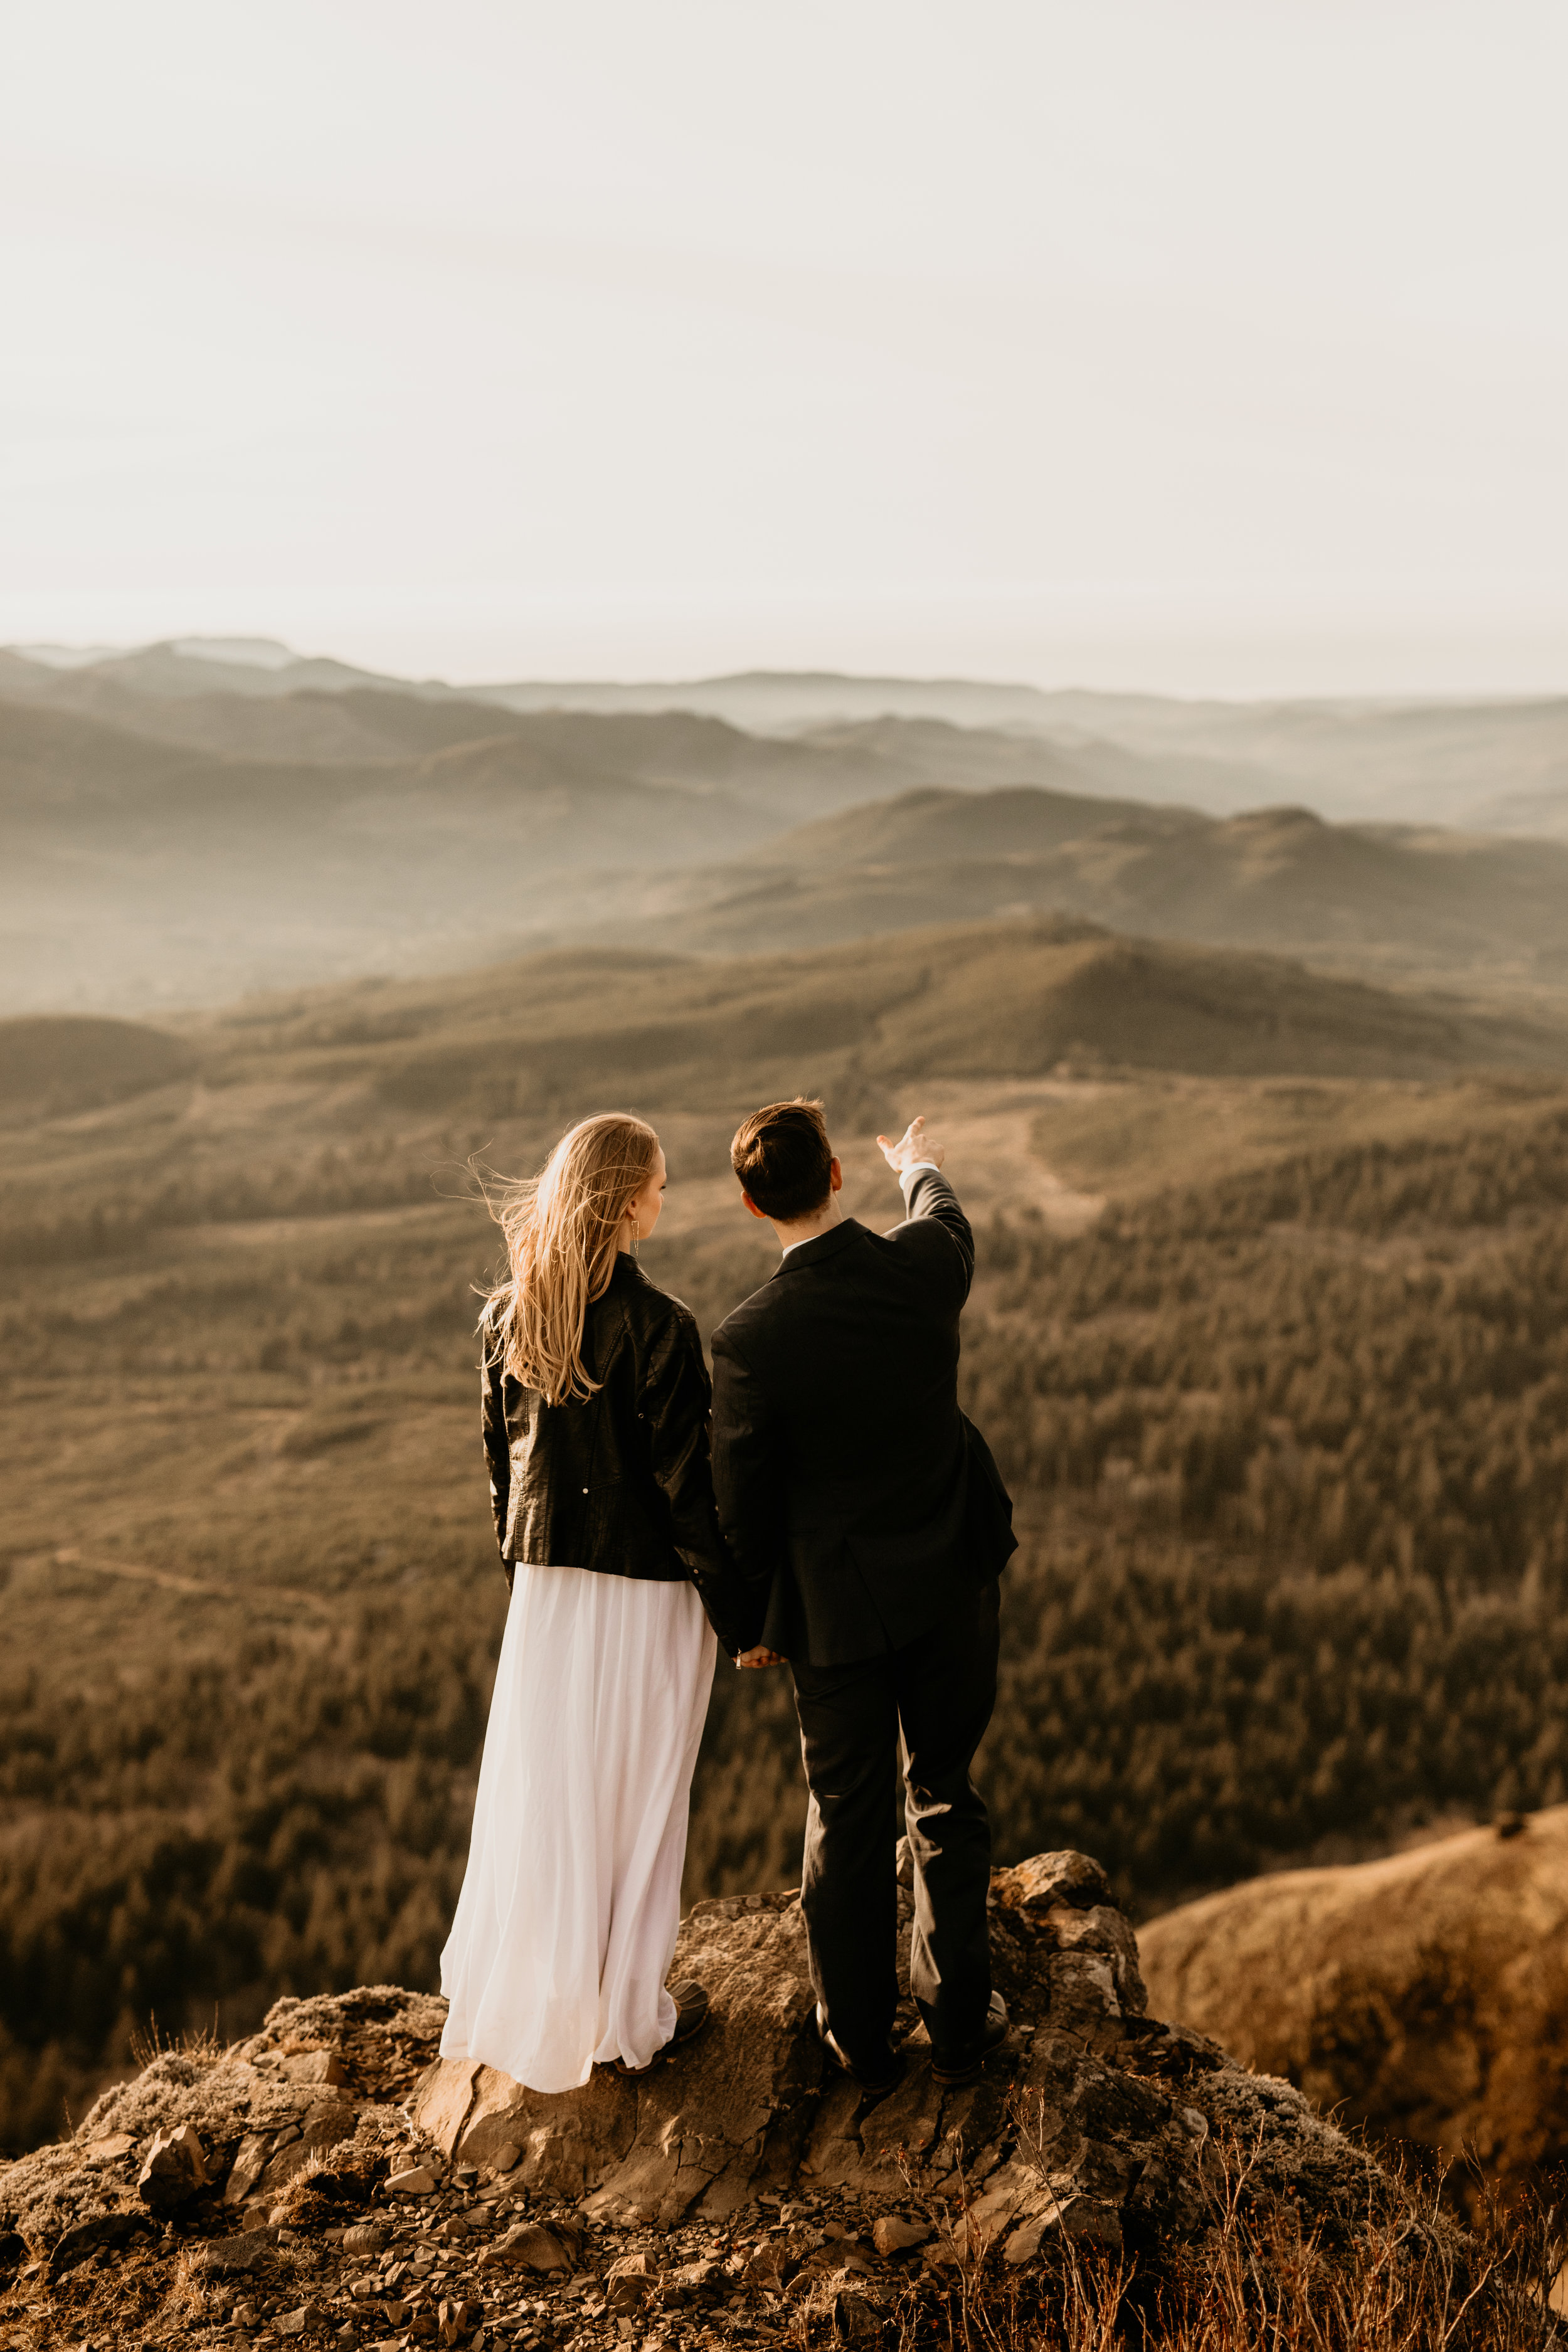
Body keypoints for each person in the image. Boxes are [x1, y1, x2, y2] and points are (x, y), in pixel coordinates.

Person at [439, 1112, 763, 2092]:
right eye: (658, 1183)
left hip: (545, 1590)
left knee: (552, 1797)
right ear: (626, 1200)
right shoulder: (660, 1325)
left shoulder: (510, 1317)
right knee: (638, 1800)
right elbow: (686, 1492)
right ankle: (627, 2014)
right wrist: (740, 1618)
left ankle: (552, 1999)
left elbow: (501, 1473)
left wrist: (531, 1587)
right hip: (643, 1592)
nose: (666, 1198)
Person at [710, 1102, 1017, 2095]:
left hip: (834, 1614)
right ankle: (959, 2026)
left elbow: (741, 1505)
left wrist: (751, 1625)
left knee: (845, 1812)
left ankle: (858, 2040)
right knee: (945, 1791)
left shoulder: (749, 1339)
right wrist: (916, 1165)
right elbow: (947, 1217)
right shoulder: (921, 1266)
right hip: (952, 1575)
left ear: (754, 1205)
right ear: (837, 1173)